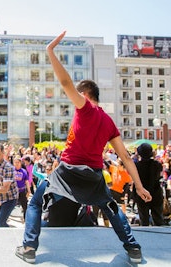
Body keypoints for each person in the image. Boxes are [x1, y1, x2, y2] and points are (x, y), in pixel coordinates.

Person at [15, 32, 152, 264]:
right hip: (93, 176)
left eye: (79, 94)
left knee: (36, 202)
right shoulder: (109, 122)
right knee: (110, 207)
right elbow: (127, 158)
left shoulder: (85, 107)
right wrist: (138, 186)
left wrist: (50, 51)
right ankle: (134, 249)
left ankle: (29, 247)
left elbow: (65, 82)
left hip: (68, 170)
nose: (75, 97)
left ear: (86, 94)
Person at [134, 143, 164, 226]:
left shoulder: (136, 166)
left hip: (142, 193)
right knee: (158, 219)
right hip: (156, 192)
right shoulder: (157, 165)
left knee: (144, 220)